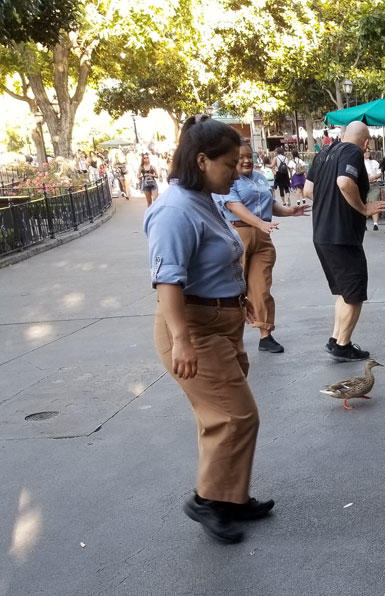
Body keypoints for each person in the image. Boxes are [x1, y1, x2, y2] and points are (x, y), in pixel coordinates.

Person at [144, 115, 272, 545]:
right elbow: (168, 280)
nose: (237, 170)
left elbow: (217, 260)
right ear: (202, 160)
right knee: (236, 416)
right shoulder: (174, 210)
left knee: (220, 418)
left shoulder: (203, 199)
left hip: (221, 323)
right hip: (195, 329)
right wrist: (181, 339)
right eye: (230, 163)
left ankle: (230, 498)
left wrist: (242, 299)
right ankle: (208, 501)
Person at [303, 121, 385, 362]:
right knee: (355, 292)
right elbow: (344, 182)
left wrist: (332, 201)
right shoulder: (352, 151)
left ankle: (336, 339)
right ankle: (343, 345)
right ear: (366, 143)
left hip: (322, 233)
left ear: (342, 135)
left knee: (344, 291)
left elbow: (308, 191)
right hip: (342, 235)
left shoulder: (323, 153)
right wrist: (363, 208)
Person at [216, 142, 309, 354]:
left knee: (261, 287)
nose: (246, 160)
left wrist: (289, 211)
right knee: (233, 288)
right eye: (241, 157)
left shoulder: (259, 177)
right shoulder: (228, 179)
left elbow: (270, 205)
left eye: (249, 156)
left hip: (263, 237)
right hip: (238, 235)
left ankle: (265, 334)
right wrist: (259, 223)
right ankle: (230, 334)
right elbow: (234, 206)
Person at [363, 147, 383, 230]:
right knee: (364, 204)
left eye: (368, 151)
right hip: (363, 185)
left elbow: (380, 173)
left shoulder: (374, 162)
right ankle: (364, 223)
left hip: (373, 184)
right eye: (365, 151)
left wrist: (373, 177)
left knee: (374, 203)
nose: (367, 153)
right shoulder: (360, 162)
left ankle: (375, 224)